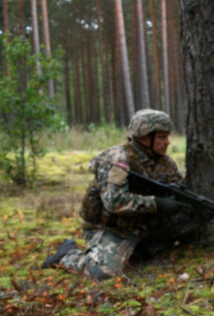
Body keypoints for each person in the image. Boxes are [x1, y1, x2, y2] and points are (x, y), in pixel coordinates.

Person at [42, 109, 205, 280]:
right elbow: (114, 201)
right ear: (144, 138)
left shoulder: (164, 162)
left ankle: (140, 251)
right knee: (103, 273)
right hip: (111, 229)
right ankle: (68, 255)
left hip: (143, 226)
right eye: (162, 138)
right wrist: (158, 203)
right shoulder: (117, 159)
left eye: (167, 137)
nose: (167, 142)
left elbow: (177, 187)